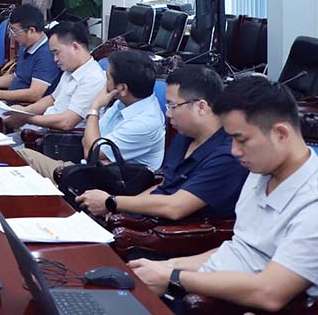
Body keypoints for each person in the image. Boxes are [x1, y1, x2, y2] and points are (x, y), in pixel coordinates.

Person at [129, 76, 318, 312]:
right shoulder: (262, 169)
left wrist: (174, 277)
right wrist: (167, 267)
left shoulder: (312, 204)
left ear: (281, 133)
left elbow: (269, 293)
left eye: (241, 140)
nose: (234, 151)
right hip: (209, 287)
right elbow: (239, 249)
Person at [76, 65, 246, 221]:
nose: (168, 114)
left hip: (180, 235)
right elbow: (165, 186)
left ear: (201, 107)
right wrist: (122, 211)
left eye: (172, 106)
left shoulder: (227, 155)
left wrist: (112, 202)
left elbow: (175, 207)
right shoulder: (185, 136)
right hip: (151, 220)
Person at [17, 49, 165, 180]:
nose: (104, 82)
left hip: (106, 185)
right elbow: (88, 142)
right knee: (21, 156)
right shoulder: (124, 102)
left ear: (122, 88)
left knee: (21, 160)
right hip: (89, 170)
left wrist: (94, 107)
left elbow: (91, 151)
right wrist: (92, 147)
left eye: (107, 77)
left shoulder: (144, 122)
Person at [2, 22, 105, 133]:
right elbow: (52, 98)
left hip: (59, 138)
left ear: (75, 47)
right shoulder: (70, 70)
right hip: (42, 130)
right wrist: (25, 110)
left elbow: (67, 122)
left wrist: (27, 118)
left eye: (57, 53)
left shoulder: (92, 78)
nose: (55, 59)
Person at [0, 4, 61, 104]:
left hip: (24, 109)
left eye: (15, 31)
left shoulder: (46, 55)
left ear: (31, 30)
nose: (12, 35)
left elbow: (34, 94)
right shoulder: (28, 47)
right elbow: (15, 77)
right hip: (10, 104)